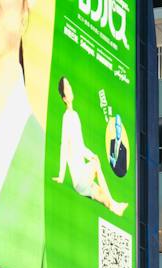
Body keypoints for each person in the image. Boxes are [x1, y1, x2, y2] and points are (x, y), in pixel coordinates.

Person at [51, 76, 127, 215]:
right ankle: (114, 202)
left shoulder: (75, 115)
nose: (70, 89)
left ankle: (114, 206)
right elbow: (64, 147)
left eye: (69, 85)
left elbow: (81, 146)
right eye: (66, 88)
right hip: (79, 180)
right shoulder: (67, 117)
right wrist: (61, 176)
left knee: (102, 196)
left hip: (84, 177)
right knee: (96, 165)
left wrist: (92, 155)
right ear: (64, 98)